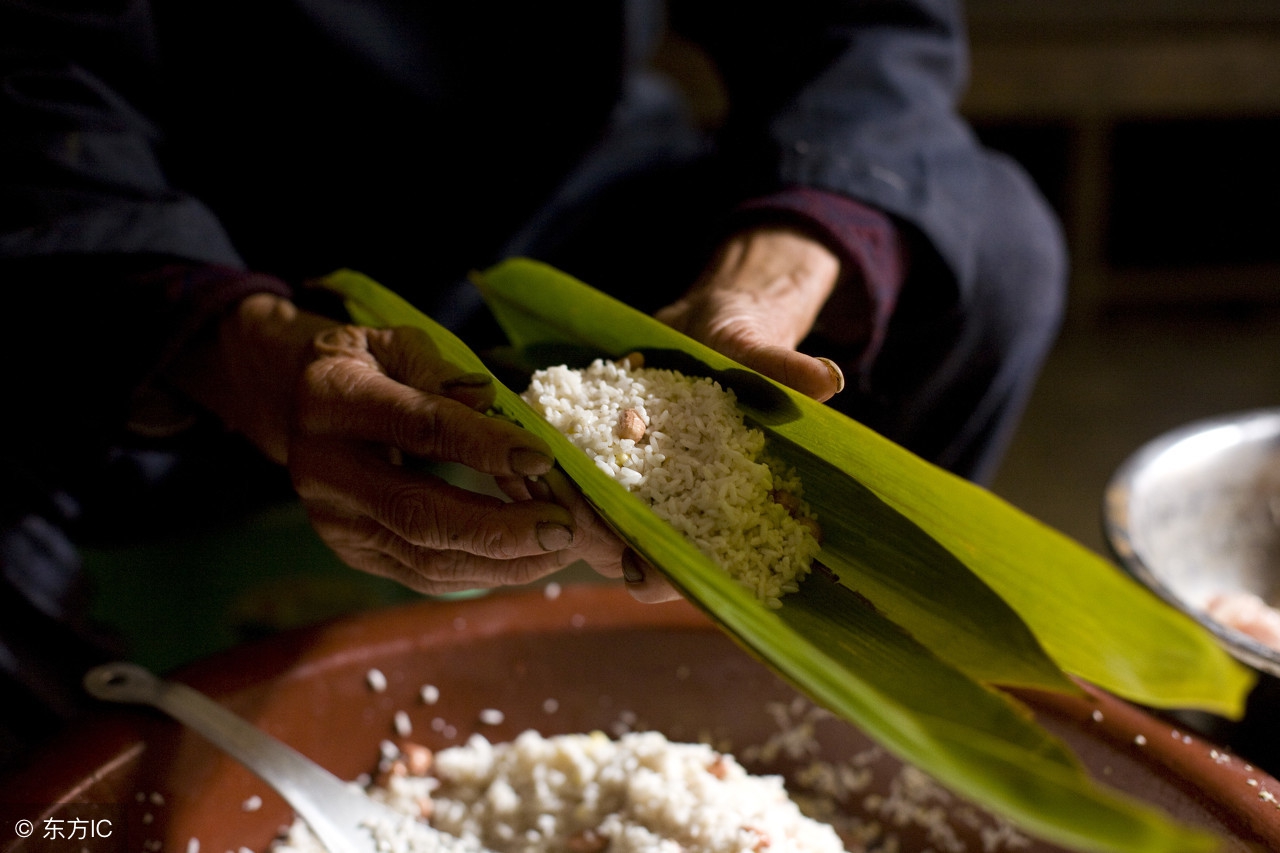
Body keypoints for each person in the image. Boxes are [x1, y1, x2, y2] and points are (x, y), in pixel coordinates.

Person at [0, 0, 1066, 765]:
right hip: (165, 258)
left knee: (992, 245)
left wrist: (777, 265)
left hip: (555, 225)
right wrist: (242, 348)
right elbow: (37, 80)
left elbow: (864, 30)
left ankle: (778, 716)